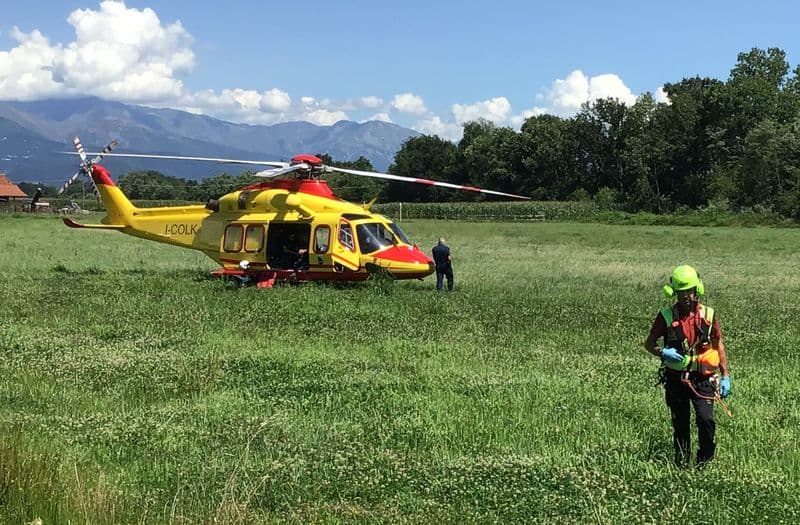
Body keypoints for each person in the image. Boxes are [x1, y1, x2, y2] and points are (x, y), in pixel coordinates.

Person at [644, 264, 731, 467]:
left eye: (689, 290)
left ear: (697, 289)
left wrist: (725, 375)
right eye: (681, 291)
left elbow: (718, 344)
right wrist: (662, 352)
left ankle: (704, 464)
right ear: (673, 291)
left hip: (703, 379)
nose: (685, 296)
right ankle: (681, 465)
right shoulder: (665, 316)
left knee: (706, 421)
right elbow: (649, 344)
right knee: (681, 425)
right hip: (676, 380)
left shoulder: (708, 315)